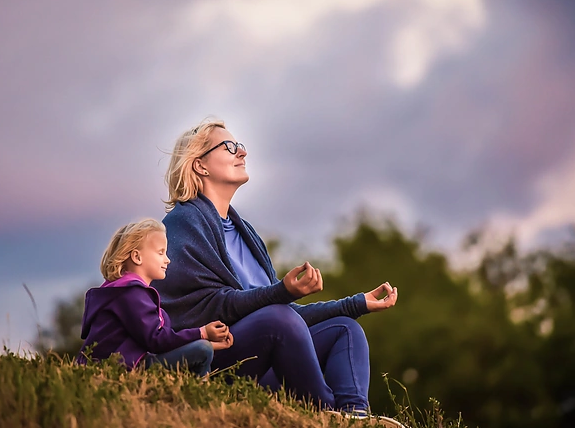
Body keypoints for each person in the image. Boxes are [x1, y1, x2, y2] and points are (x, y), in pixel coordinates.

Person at [152, 119, 403, 426]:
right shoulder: (182, 223)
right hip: (216, 366)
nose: (242, 152)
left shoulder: (246, 233)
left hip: (262, 361)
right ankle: (327, 416)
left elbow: (288, 318)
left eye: (240, 145)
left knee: (345, 329)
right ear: (200, 166)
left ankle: (354, 417)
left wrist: (356, 304)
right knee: (277, 318)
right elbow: (209, 310)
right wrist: (281, 293)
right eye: (229, 147)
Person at [75, 218, 234, 376]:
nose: (167, 259)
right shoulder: (131, 293)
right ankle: (199, 395)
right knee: (202, 350)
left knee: (203, 348)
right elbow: (156, 340)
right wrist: (202, 333)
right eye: (161, 252)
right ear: (137, 257)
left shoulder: (121, 292)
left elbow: (159, 342)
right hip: (124, 370)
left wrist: (208, 343)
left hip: (127, 364)